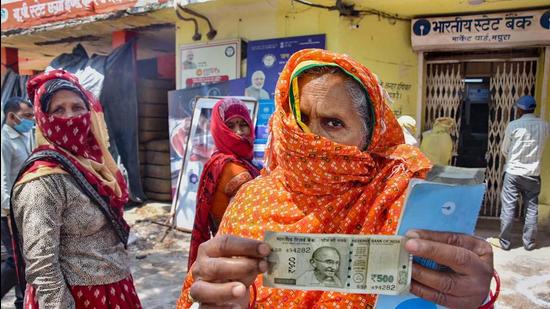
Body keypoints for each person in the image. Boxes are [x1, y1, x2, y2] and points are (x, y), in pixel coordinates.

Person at [176, 49, 494, 308]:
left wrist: (470, 298)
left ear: (370, 137)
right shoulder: (251, 202)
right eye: (299, 120)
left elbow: (436, 291)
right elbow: (214, 293)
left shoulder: (399, 204)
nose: (309, 139)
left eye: (332, 123)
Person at [9, 70, 142, 308]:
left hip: (117, 289)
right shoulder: (43, 180)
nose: (69, 117)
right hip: (80, 297)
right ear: (43, 118)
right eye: (58, 110)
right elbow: (43, 267)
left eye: (77, 107)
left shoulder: (95, 166)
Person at [188, 98, 260, 270]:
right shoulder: (232, 168)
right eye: (230, 125)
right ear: (219, 129)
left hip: (227, 248)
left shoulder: (220, 160)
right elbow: (256, 216)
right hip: (241, 253)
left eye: (243, 124)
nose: (238, 132)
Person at [496, 95, 549, 251]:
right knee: (532, 208)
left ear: (520, 109)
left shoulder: (514, 125)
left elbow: (504, 149)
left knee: (508, 207)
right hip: (533, 173)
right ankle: (529, 243)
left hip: (513, 172)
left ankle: (505, 243)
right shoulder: (545, 125)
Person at [1, 96, 34, 309]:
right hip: (6, 211)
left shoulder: (24, 134)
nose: (31, 120)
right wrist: (8, 212)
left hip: (23, 207)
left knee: (24, 259)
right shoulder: (4, 140)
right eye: (27, 116)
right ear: (12, 116)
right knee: (15, 260)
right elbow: (1, 178)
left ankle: (22, 301)